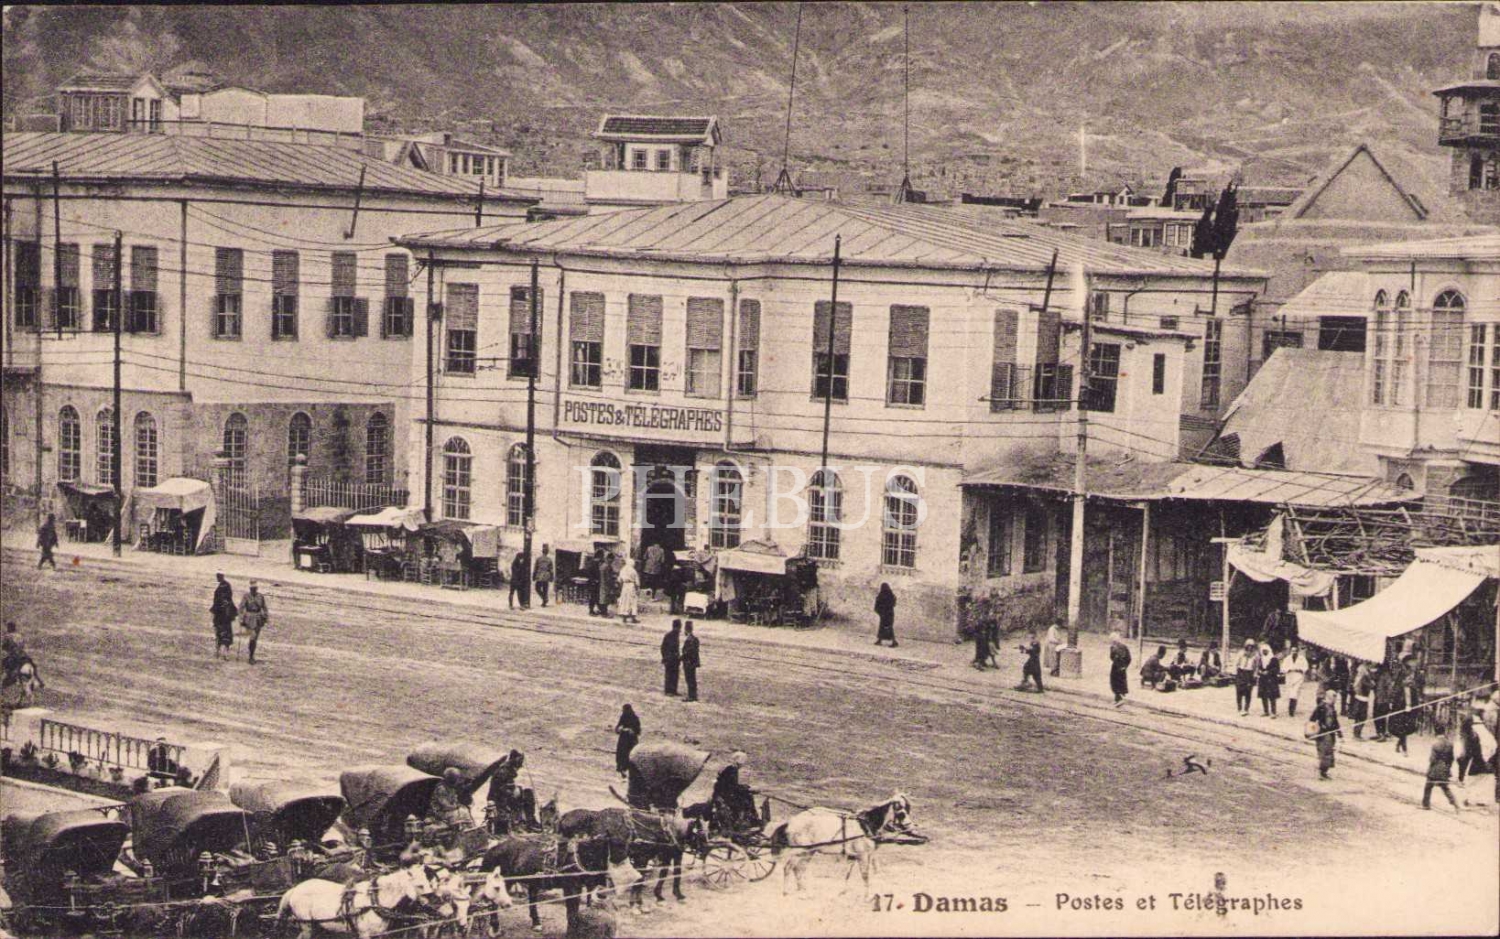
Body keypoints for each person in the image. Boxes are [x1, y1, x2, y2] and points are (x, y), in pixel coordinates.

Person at [1422, 722, 1460, 812]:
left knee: (1428, 787)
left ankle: (1426, 805)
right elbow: (1451, 758)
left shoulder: (1435, 744)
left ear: (1435, 732)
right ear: (1444, 731)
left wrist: (1429, 769)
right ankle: (1455, 803)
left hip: (1435, 770)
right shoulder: (1450, 744)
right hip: (1445, 769)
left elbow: (1432, 759)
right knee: (1445, 787)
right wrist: (1448, 768)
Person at [1310, 689, 1341, 781]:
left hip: (1330, 734)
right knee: (1325, 754)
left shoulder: (1332, 708)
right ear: (1328, 697)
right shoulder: (1321, 707)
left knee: (1329, 753)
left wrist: (1340, 734)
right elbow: (1312, 719)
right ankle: (1322, 773)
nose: (1334, 701)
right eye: (1333, 698)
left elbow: (1335, 722)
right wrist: (1314, 730)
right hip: (1322, 734)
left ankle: (1324, 772)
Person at [1389, 658, 1419, 755]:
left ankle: (1398, 745)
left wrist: (1414, 708)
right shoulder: (1400, 688)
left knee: (1406, 730)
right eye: (1408, 678)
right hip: (1401, 711)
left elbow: (1415, 699)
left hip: (1409, 711)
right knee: (1402, 730)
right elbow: (1395, 698)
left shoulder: (1412, 688)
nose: (1410, 679)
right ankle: (1404, 749)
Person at [238, 581, 269, 665]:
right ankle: (251, 657)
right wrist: (241, 619)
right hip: (249, 618)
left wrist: (265, 618)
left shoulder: (260, 596)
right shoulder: (246, 596)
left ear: (257, 589)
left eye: (255, 588)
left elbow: (264, 608)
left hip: (258, 618)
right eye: (252, 588)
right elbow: (241, 608)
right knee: (253, 637)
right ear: (250, 589)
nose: (253, 590)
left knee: (255, 638)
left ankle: (251, 655)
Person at [210, 573, 237, 660]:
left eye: (219, 576)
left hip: (225, 616)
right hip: (220, 615)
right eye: (217, 576)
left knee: (225, 634)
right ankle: (219, 652)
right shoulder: (220, 587)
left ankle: (224, 653)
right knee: (220, 633)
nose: (217, 578)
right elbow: (216, 601)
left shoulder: (225, 586)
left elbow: (227, 598)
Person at [614, 704, 640, 777]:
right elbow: (618, 727)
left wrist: (632, 730)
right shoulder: (623, 716)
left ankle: (628, 769)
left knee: (630, 754)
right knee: (622, 753)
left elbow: (638, 730)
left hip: (631, 739)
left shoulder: (635, 718)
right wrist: (620, 729)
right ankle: (622, 768)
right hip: (624, 738)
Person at [1351, 660, 1376, 739]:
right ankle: (1357, 734)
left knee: (1359, 717)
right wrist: (1372, 684)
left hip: (1359, 697)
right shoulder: (1364, 676)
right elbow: (1368, 685)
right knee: (1362, 717)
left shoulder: (1360, 674)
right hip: (1363, 698)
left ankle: (1356, 734)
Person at [1283, 644, 1308, 719]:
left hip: (1298, 677)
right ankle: (1291, 708)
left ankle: (1291, 710)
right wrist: (1288, 669)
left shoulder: (1302, 658)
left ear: (1297, 651)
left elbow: (1306, 667)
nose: (1294, 652)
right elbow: (1283, 668)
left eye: (1295, 651)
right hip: (1290, 677)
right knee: (1291, 693)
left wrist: (1300, 669)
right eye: (1292, 651)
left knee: (1295, 693)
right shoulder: (1287, 659)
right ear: (1291, 651)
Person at [1233, 640, 1258, 716]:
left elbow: (1256, 666)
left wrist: (1255, 675)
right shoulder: (1241, 653)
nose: (1250, 648)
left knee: (1248, 692)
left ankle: (1246, 709)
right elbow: (1236, 663)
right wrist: (1235, 673)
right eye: (1248, 646)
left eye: (1251, 646)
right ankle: (1239, 708)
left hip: (1249, 673)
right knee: (1239, 691)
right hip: (1241, 672)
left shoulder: (1255, 655)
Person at [1257, 642, 1281, 718]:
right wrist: (1260, 671)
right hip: (1263, 679)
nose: (1264, 652)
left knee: (1272, 696)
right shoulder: (1261, 659)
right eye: (1263, 651)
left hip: (1271, 679)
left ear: (1269, 650)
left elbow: (1277, 669)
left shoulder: (1274, 659)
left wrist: (1269, 672)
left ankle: (1273, 712)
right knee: (1263, 695)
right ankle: (1266, 711)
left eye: (1266, 650)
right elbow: (1258, 667)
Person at [1108, 632, 1131, 706]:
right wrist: (1125, 666)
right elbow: (1129, 658)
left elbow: (1111, 657)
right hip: (1121, 667)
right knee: (1119, 682)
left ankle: (1120, 699)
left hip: (1117, 667)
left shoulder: (1114, 647)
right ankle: (1117, 699)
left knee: (1116, 683)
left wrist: (1121, 664)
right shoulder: (1123, 646)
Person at [681, 621, 701, 702]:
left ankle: (691, 696)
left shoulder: (689, 640)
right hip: (693, 662)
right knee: (692, 679)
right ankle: (693, 695)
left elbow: (687, 652)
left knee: (689, 679)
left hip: (688, 663)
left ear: (686, 630)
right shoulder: (695, 639)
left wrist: (681, 658)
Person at [661, 620, 682, 696]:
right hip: (669, 658)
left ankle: (673, 690)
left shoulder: (676, 635)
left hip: (675, 658)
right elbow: (663, 648)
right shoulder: (669, 635)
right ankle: (668, 691)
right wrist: (665, 657)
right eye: (679, 627)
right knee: (669, 674)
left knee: (675, 675)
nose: (679, 629)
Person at [617, 558, 641, 624]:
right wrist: (638, 588)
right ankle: (633, 618)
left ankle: (624, 618)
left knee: (624, 601)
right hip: (631, 586)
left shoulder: (623, 569)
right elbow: (637, 582)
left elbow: (619, 580)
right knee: (632, 602)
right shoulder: (633, 571)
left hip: (625, 586)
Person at [874, 583, 898, 647]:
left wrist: (880, 611)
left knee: (886, 628)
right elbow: (893, 604)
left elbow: (878, 604)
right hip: (889, 614)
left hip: (885, 614)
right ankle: (880, 640)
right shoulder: (891, 595)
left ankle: (893, 641)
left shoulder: (881, 595)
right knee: (886, 627)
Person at [584, 550, 603, 616]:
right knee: (593, 597)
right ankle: (591, 611)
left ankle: (598, 609)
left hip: (594, 582)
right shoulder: (594, 563)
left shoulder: (594, 563)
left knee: (595, 596)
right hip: (593, 583)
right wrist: (594, 580)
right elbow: (589, 573)